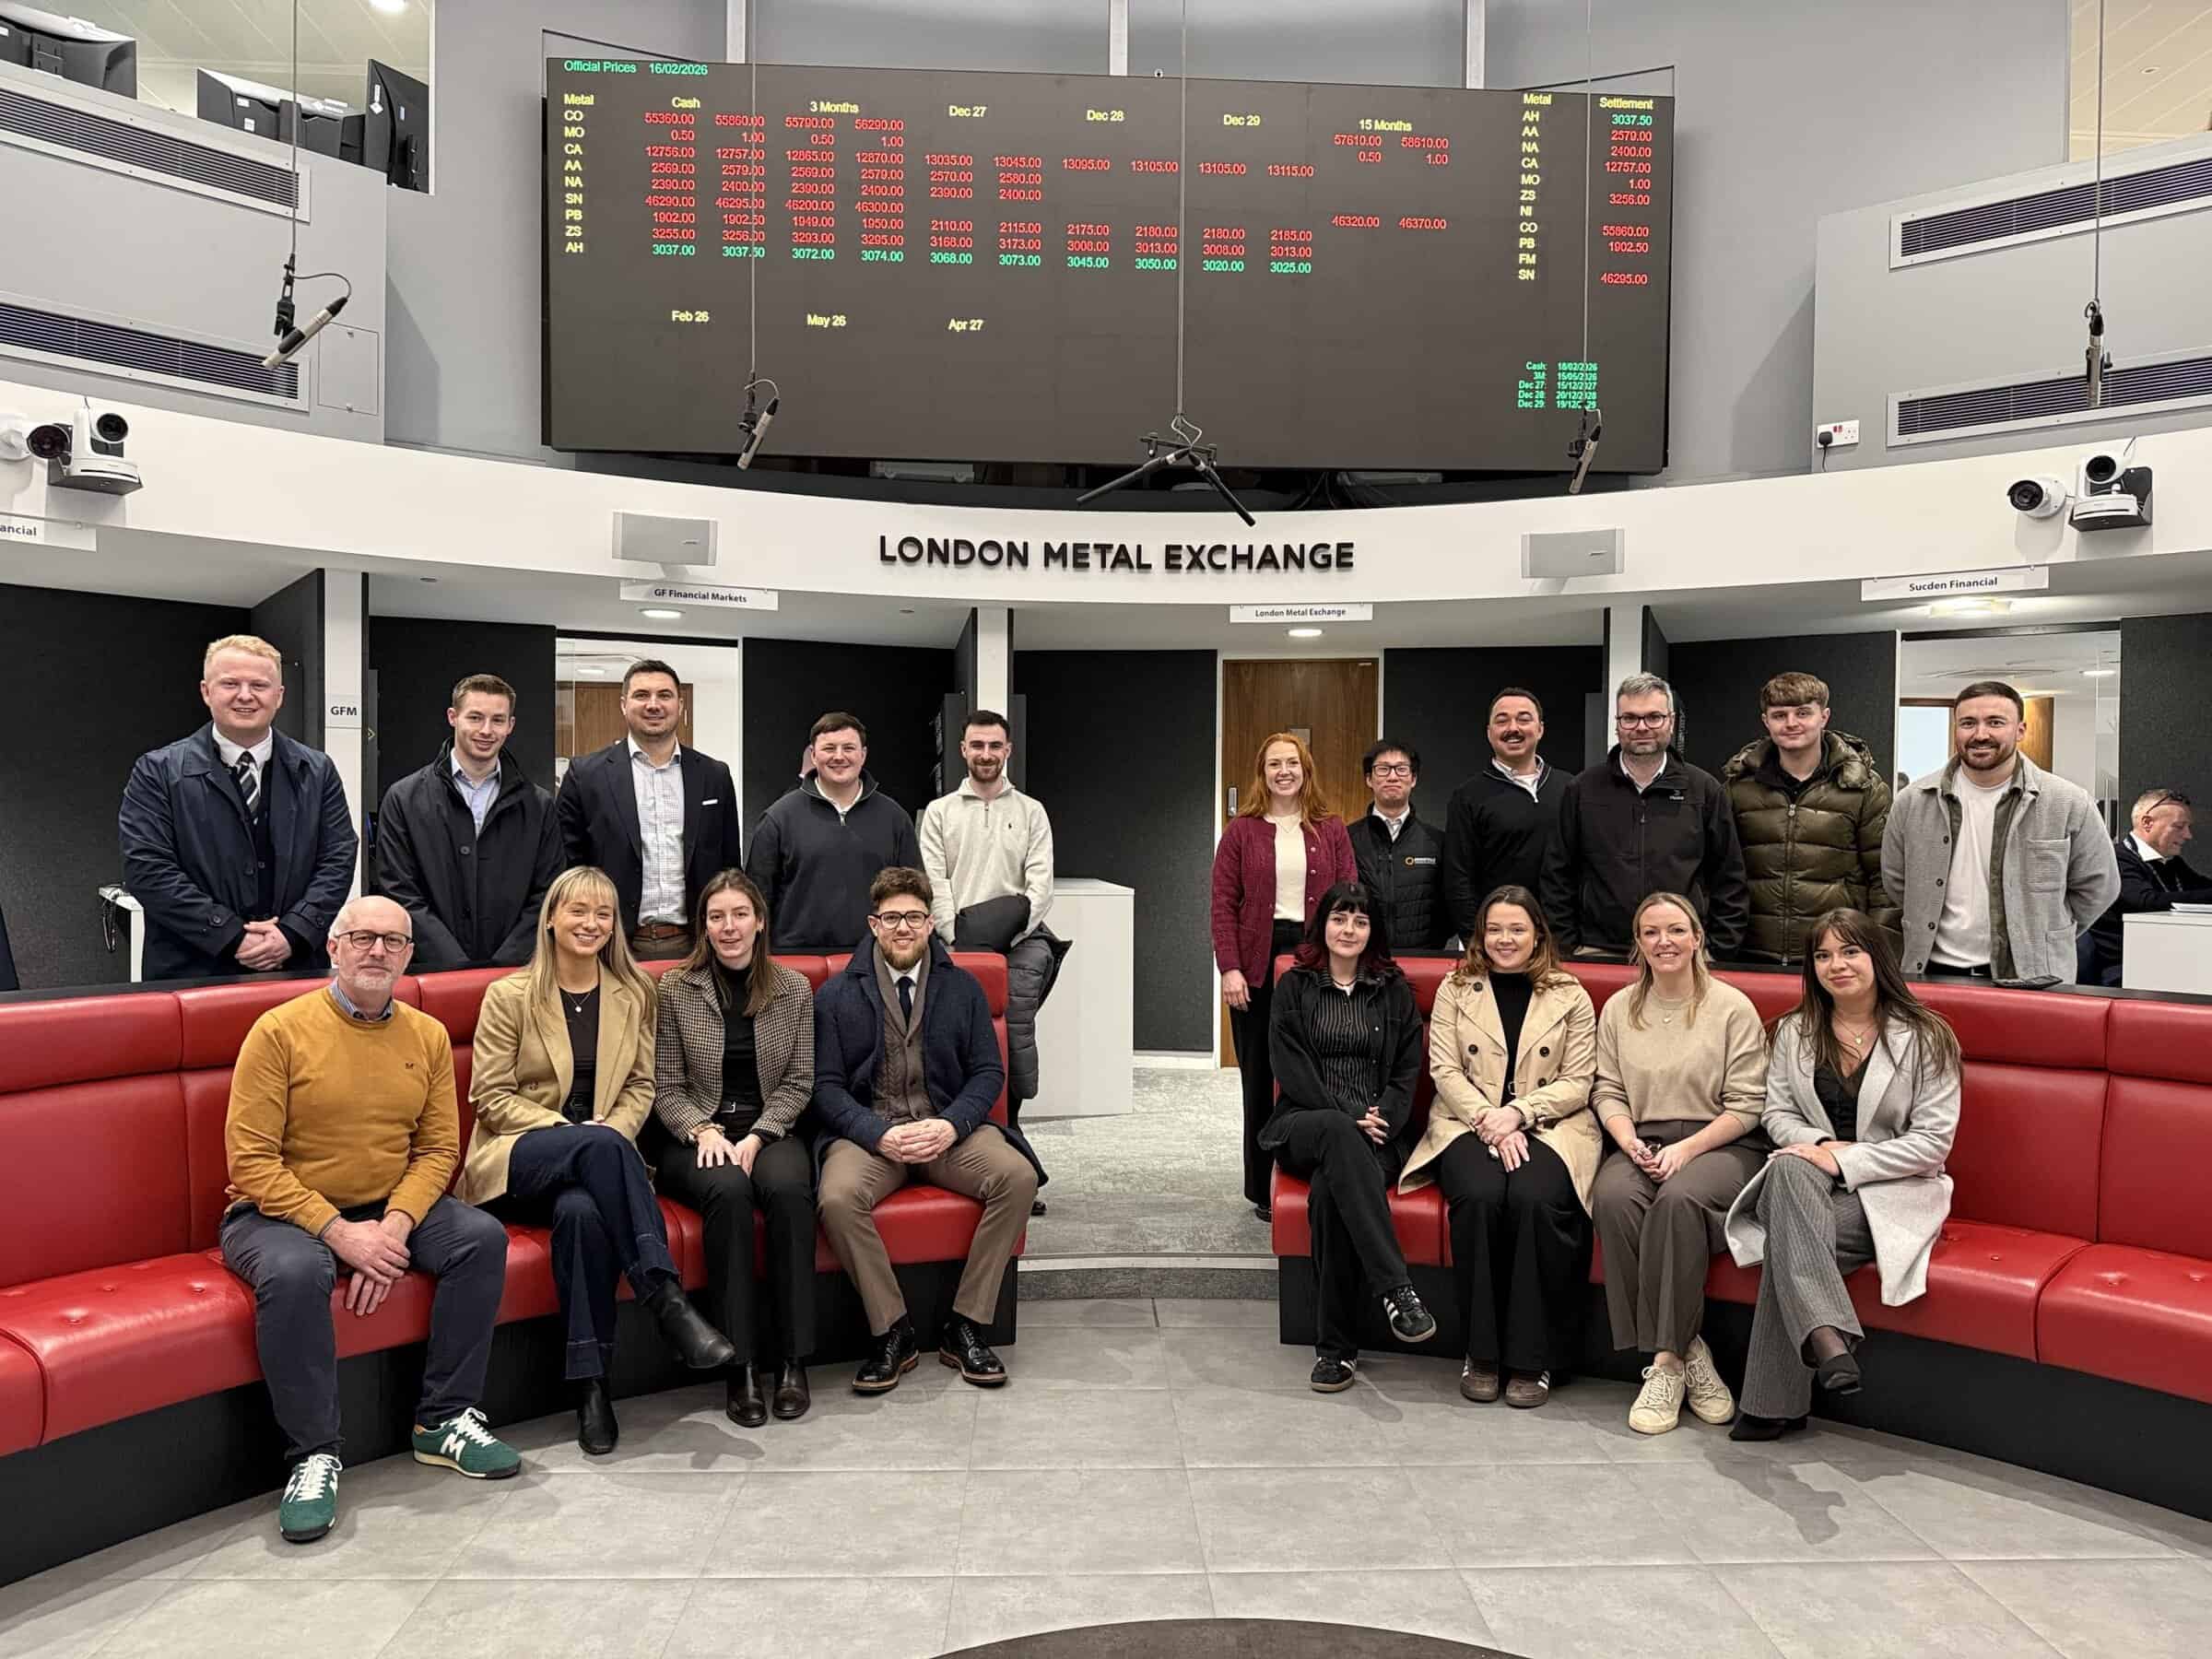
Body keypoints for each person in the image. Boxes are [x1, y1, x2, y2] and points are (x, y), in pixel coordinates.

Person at [218, 896, 520, 1545]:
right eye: (362, 937)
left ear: (410, 956)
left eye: (393, 941)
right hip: (276, 1213)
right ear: (333, 948)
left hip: (387, 1205)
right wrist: (340, 1233)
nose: (377, 950)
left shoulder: (427, 1035)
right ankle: (313, 1455)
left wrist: (394, 1228)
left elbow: (438, 1151)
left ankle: (443, 1420)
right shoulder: (278, 1031)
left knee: (480, 1239)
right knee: (297, 1273)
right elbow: (251, 1162)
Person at [458, 867, 737, 1455]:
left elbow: (641, 1085)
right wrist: (575, 1134)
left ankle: (591, 1388)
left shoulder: (633, 992)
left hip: (599, 1167)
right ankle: (666, 1299)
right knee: (602, 1149)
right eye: (579, 911)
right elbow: (490, 1096)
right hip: (520, 1155)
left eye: (604, 914)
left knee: (582, 1214)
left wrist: (610, 1132)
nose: (591, 924)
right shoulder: (510, 995)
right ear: (551, 920)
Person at [1723, 909, 1962, 1440]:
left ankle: (1774, 1401)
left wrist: (1845, 1161)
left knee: (1790, 1236)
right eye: (1823, 955)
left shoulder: (1927, 1036)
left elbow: (1932, 1143)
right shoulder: (1793, 1031)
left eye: (1850, 951)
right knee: (1790, 1171)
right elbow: (1776, 1113)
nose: (1837, 965)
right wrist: (1821, 1149)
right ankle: (1828, 1338)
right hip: (1807, 1178)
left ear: (1877, 957)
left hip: (1891, 1191)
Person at [814, 866, 1043, 1392]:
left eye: (914, 918)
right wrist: (875, 1133)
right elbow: (825, 1087)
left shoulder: (962, 988)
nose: (903, 928)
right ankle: (891, 1331)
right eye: (892, 917)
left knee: (1018, 1177)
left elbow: (988, 1073)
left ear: (930, 923)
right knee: (838, 1197)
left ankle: (966, 1325)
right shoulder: (836, 994)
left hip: (947, 1132)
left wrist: (951, 1124)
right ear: (874, 924)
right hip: (872, 1138)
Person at [1401, 885, 1598, 1408]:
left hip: (1551, 1125)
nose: (1504, 939)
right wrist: (1492, 1120)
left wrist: (1520, 1114)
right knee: (1481, 1195)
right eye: (1494, 929)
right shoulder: (1456, 988)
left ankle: (1534, 1358)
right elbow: (1444, 1070)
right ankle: (1481, 1353)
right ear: (1480, 935)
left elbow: (1579, 1081)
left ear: (1538, 935)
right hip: (1468, 1122)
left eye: (1516, 929)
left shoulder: (1570, 994)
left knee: (1536, 1198)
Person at [1588, 891, 1769, 1435]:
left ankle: (1664, 1363)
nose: (1663, 942)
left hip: (1723, 1144)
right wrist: (1628, 1142)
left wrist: (1686, 1151)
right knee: (1613, 1198)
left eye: (1675, 931)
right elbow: (1607, 1090)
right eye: (1651, 933)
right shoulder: (1620, 1008)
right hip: (1641, 1139)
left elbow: (1748, 1104)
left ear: (1697, 938)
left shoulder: (1732, 1006)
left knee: (1677, 1200)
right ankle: (1690, 1352)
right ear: (1638, 944)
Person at [653, 870, 821, 1427]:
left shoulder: (793, 988)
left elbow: (799, 1081)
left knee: (790, 1190)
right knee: (726, 1192)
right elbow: (665, 1085)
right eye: (717, 916)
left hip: (769, 1128)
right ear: (704, 926)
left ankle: (793, 1360)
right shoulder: (675, 987)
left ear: (760, 922)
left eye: (740, 915)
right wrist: (702, 1130)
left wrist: (758, 1135)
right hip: (696, 1132)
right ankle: (740, 1365)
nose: (729, 927)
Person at [1261, 881, 1438, 1390]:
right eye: (1340, 918)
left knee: (1328, 1196)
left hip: (1377, 1136)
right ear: (1323, 925)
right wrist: (1349, 1113)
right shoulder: (1295, 986)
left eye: (1360, 921)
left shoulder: (1393, 990)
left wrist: (1384, 1119)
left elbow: (1407, 1070)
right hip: (1305, 1124)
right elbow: (1291, 1069)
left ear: (1372, 931)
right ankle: (1397, 1289)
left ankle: (1335, 1353)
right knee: (1337, 1131)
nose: (1349, 929)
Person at [120, 634, 358, 981]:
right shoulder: (157, 771)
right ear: (206, 692)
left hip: (295, 966)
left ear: (279, 696)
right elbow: (147, 869)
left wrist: (293, 932)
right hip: (192, 973)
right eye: (230, 683)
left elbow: (338, 859)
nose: (245, 695)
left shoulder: (318, 771)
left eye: (259, 685)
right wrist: (230, 936)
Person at [921, 709, 1065, 1216]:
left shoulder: (1031, 812)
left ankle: (1013, 1161)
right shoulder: (939, 812)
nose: (986, 754)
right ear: (963, 749)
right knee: (956, 1053)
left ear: (1008, 751)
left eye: (995, 746)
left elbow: (1040, 886)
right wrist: (956, 937)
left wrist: (1007, 934)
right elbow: (934, 881)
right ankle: (969, 1161)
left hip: (1019, 945)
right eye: (977, 745)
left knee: (1011, 1051)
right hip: (955, 945)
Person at [1882, 680, 2120, 987]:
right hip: (1929, 972)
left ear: (2020, 730)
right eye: (1968, 723)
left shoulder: (2068, 802)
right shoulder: (1912, 802)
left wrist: (2047, 932)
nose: (1980, 734)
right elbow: (1896, 881)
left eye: (1995, 722)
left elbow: (2099, 886)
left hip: (2033, 978)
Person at [1211, 732, 1359, 1222]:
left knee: (1315, 1071)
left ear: (1305, 769)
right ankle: (1262, 1188)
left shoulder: (1331, 828)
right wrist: (1230, 968)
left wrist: (1343, 962)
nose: (1284, 772)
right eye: (1274, 764)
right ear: (1263, 772)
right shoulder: (1241, 831)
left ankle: (1311, 1176)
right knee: (1259, 1075)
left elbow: (1348, 898)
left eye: (1291, 763)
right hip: (1256, 962)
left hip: (1315, 958)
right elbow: (1222, 904)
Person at [1542, 674, 1747, 960]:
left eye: (1654, 717)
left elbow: (1730, 877)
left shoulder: (1704, 790)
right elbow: (1557, 875)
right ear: (1617, 724)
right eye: (1630, 718)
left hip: (1681, 952)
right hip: (1600, 951)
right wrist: (1567, 948)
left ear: (1671, 722)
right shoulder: (1582, 790)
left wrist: (1718, 950)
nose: (1641, 727)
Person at [556, 659, 744, 960]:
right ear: (623, 704)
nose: (653, 705)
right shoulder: (586, 776)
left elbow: (730, 866)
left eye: (664, 695)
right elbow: (568, 867)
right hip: (611, 945)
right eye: (641, 695)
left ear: (680, 705)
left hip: (697, 946)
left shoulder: (714, 776)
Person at [374, 673, 564, 970]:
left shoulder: (539, 806)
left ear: (510, 725)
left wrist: (505, 963)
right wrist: (453, 966)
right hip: (430, 972)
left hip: (515, 974)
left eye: (498, 720)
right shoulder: (404, 799)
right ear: (453, 717)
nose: (486, 730)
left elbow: (548, 893)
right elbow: (398, 889)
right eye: (475, 718)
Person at [1719, 671, 1899, 964]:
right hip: (1751, 952)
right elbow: (1719, 874)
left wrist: (1876, 954)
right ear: (1766, 721)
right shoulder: (1737, 788)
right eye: (1780, 715)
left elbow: (1885, 881)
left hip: (1835, 955)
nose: (1791, 723)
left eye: (1803, 713)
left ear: (1824, 717)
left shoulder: (1864, 788)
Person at [747, 712, 923, 952]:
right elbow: (757, 900)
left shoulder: (895, 818)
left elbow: (915, 894)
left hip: (876, 957)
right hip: (796, 959)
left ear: (863, 755)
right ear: (813, 754)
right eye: (829, 748)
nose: (839, 756)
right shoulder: (778, 818)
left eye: (848, 748)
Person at [1443, 688, 1569, 941]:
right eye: (1502, 721)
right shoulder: (1468, 796)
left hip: (1560, 938)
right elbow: (1458, 878)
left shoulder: (1570, 788)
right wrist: (1476, 941)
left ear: (1540, 729)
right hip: (1499, 941)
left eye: (1524, 719)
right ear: (1489, 732)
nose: (1513, 728)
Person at [2082, 789, 2212, 985]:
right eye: (2179, 826)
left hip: (2166, 956)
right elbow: (2145, 902)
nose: (2188, 835)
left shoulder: (2171, 862)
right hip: (2125, 966)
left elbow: (2202, 886)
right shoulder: (2116, 858)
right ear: (2147, 823)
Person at [1345, 738, 1451, 953]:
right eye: (1383, 769)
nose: (1393, 777)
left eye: (1401, 769)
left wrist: (1431, 945)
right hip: (1363, 957)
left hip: (1423, 957)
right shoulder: (1347, 839)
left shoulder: (1438, 842)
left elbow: (1451, 905)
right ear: (1369, 779)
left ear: (1413, 779)